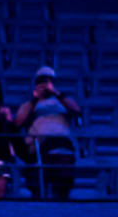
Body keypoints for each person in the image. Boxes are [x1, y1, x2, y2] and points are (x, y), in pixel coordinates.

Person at [21, 68, 82, 199]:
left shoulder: (63, 102)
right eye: (41, 81)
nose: (45, 84)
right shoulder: (29, 104)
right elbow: (18, 122)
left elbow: (77, 110)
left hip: (61, 148)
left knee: (62, 190)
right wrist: (34, 100)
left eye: (48, 81)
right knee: (37, 189)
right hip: (38, 149)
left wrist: (56, 93)